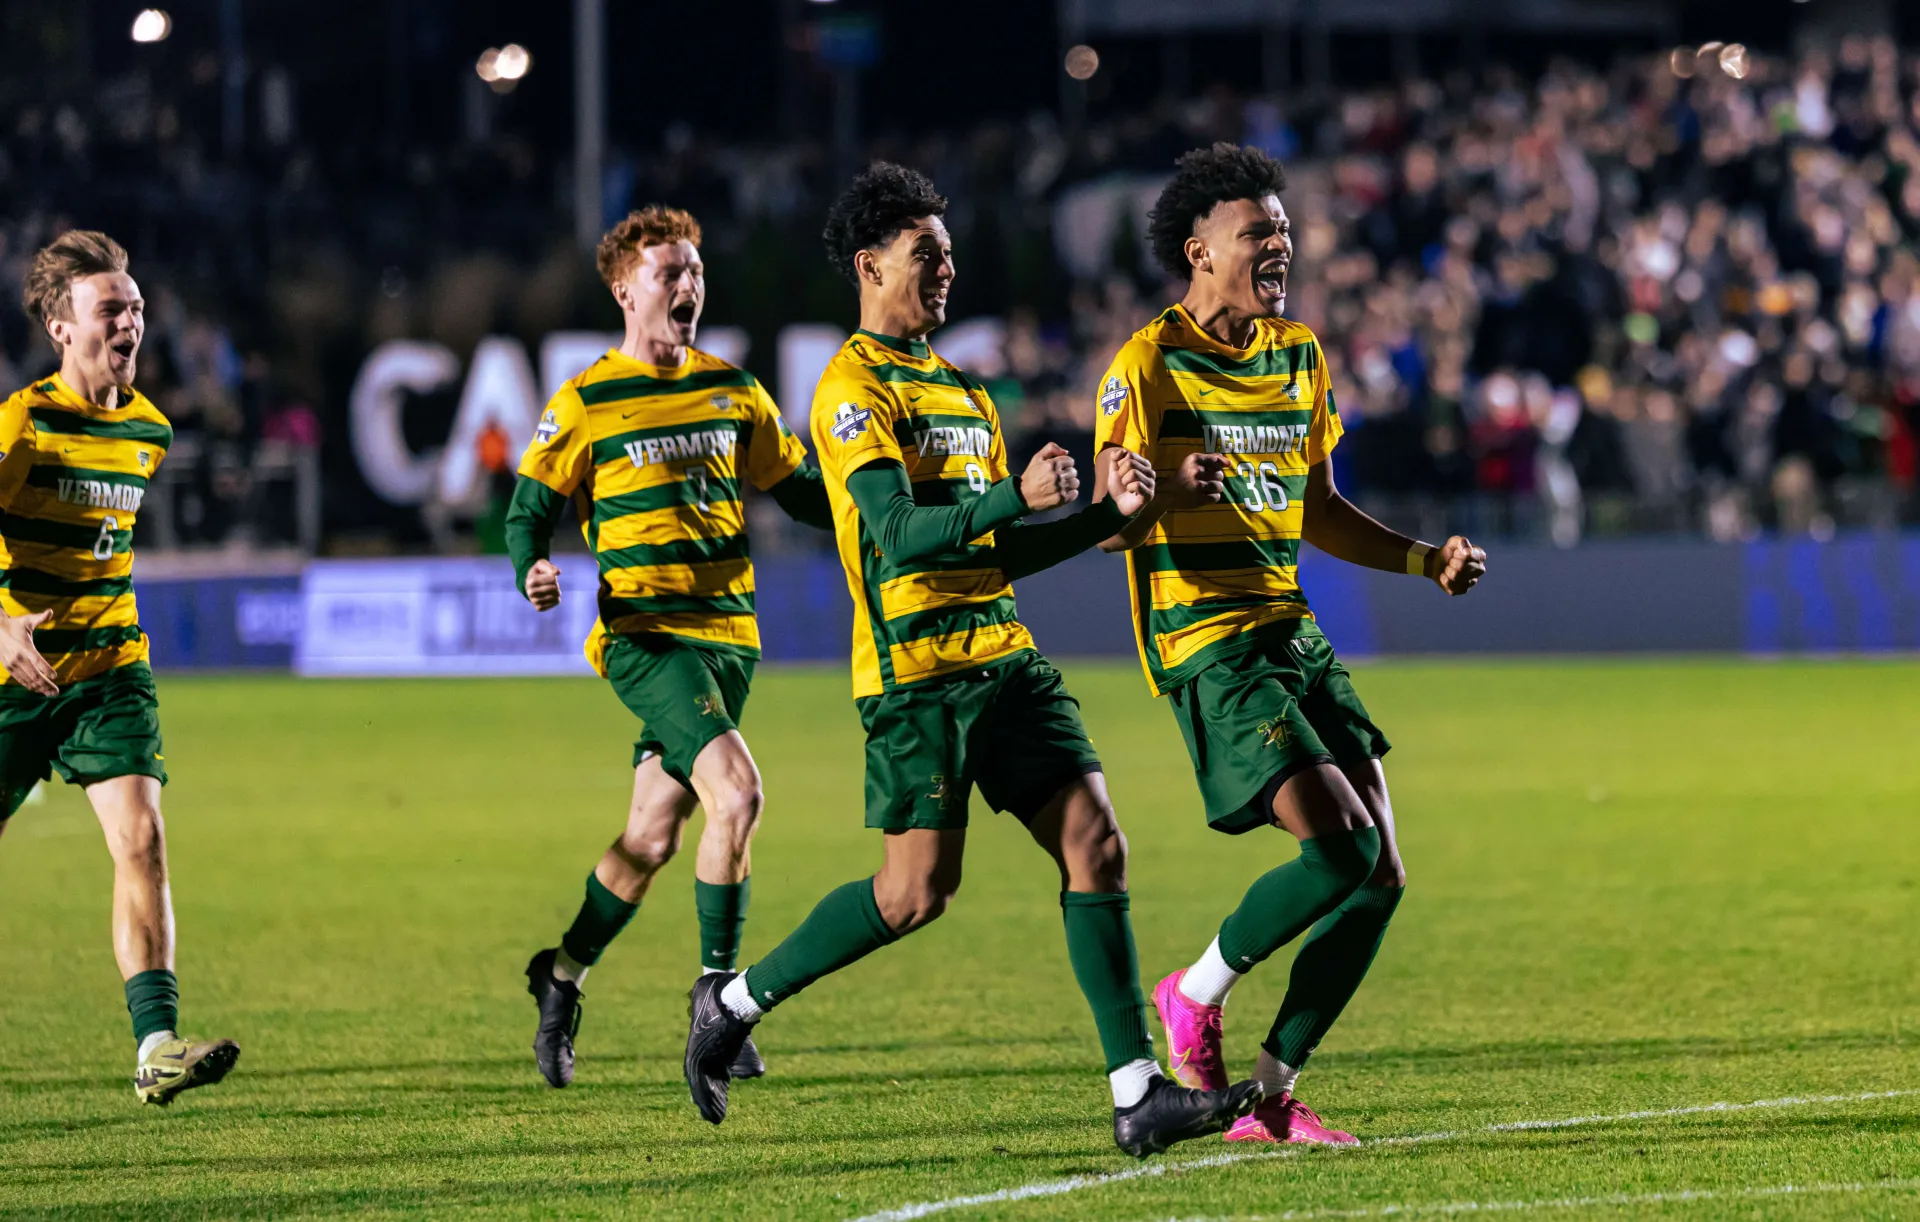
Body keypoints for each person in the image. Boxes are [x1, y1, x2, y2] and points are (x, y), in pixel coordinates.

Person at [681, 163, 1264, 1158]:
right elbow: (902, 534)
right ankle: (734, 1003)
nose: (946, 270)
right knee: (913, 894)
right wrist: (1014, 497)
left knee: (1099, 844)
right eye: (926, 255)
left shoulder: (960, 388)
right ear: (870, 266)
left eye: (949, 254)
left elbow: (994, 547)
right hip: (916, 678)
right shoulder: (850, 389)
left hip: (1006, 659)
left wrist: (1103, 519)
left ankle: (1136, 1094)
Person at [1092, 144, 1487, 1145]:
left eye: (1283, 230)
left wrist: (1420, 558)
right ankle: (1194, 990)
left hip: (1291, 633)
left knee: (1382, 874)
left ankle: (1268, 1095)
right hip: (1208, 641)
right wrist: (1163, 494)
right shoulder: (1147, 363)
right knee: (1341, 847)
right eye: (1256, 231)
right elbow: (1107, 516)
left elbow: (1318, 506)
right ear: (1198, 249)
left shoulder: (1299, 354)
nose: (1279, 244)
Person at [505, 206, 833, 1088]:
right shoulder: (583, 401)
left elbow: (801, 490)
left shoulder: (733, 390)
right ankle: (721, 1000)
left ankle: (562, 975)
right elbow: (527, 512)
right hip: (646, 639)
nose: (687, 286)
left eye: (694, 271)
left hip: (729, 642)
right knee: (739, 792)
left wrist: (880, 513)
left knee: (651, 839)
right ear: (624, 289)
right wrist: (533, 565)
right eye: (668, 273)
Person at [0, 231, 240, 1105]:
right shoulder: (22, 424)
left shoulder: (150, 429)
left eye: (136, 307)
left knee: (141, 839)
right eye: (111, 309)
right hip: (11, 675)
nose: (132, 321)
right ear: (62, 328)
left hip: (110, 669)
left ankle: (158, 1047)